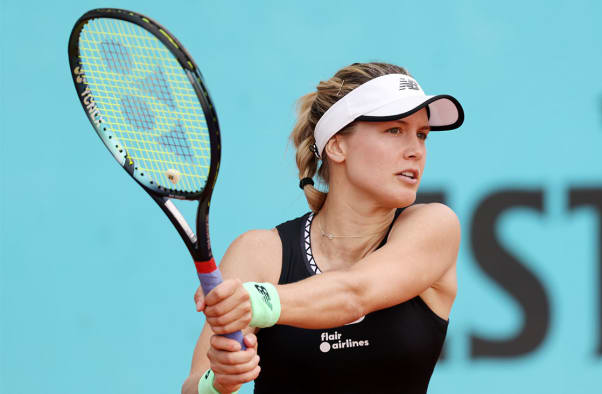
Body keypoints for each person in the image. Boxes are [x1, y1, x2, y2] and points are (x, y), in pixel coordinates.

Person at [181, 62, 464, 394]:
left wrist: (255, 299)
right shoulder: (259, 253)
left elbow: (354, 294)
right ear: (337, 145)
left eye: (422, 135)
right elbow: (195, 385)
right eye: (394, 130)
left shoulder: (435, 227)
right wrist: (219, 381)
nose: (416, 151)